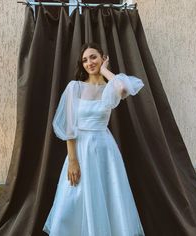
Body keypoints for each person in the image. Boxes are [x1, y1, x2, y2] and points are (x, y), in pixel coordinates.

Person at [43, 42, 145, 236]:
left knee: (108, 197)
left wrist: (105, 70)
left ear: (102, 57)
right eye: (84, 60)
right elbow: (69, 126)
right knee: (75, 197)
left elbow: (124, 87)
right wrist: (73, 160)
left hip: (105, 149)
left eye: (93, 57)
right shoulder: (75, 87)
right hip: (81, 149)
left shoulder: (110, 88)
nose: (89, 62)